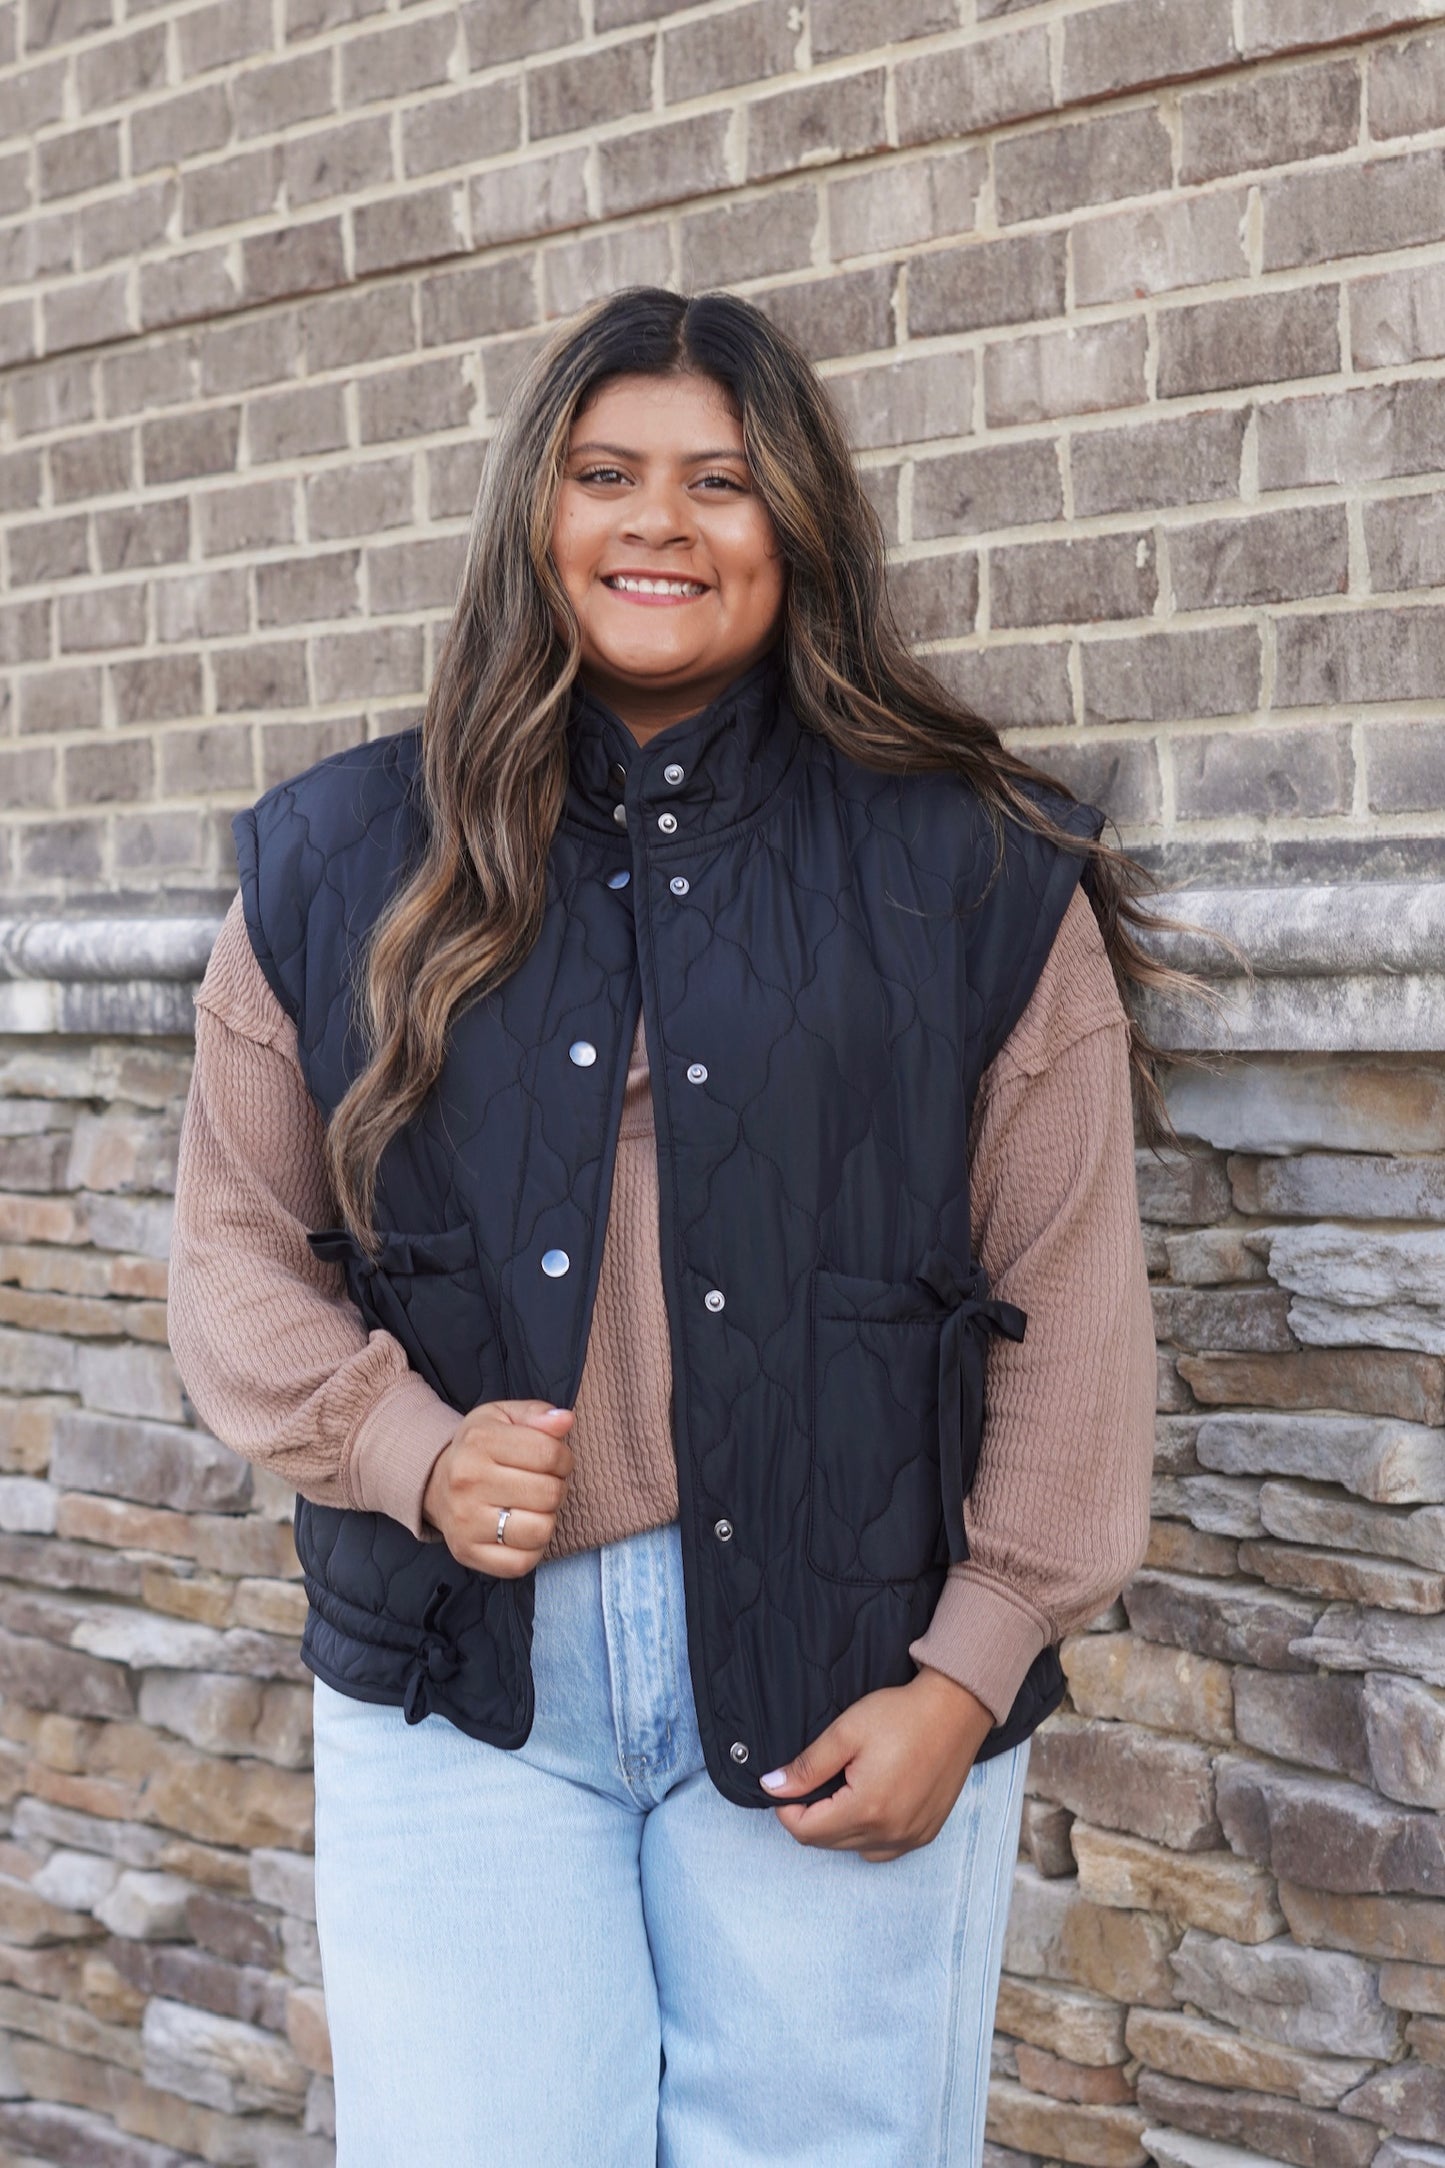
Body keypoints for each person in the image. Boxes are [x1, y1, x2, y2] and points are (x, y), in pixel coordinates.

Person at [168, 286, 1208, 2167]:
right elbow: (234, 1256)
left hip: (851, 1675)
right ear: (532, 514)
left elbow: (1065, 1289)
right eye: (606, 474)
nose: (661, 521)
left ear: (797, 526)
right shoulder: (335, 859)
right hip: (459, 1695)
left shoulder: (969, 862)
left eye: (721, 481)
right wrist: (406, 1450)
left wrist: (968, 1672)